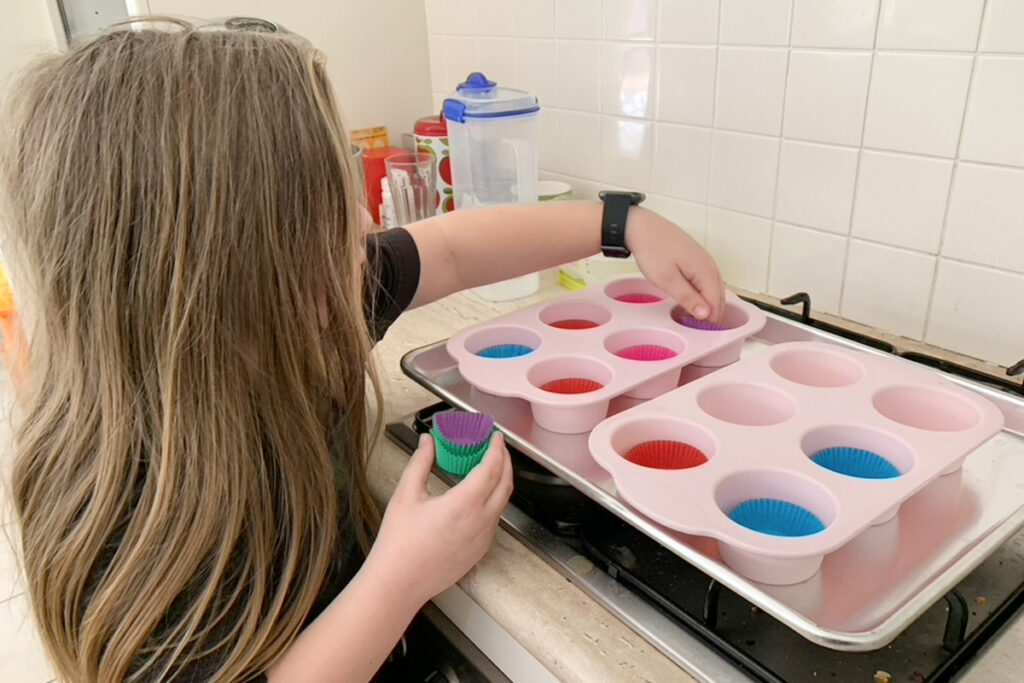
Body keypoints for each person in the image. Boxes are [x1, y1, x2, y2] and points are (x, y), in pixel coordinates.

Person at [0, 17, 724, 683]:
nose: (363, 220)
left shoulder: (295, 315)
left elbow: (449, 251)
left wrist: (619, 223)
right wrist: (399, 577)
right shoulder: (131, 521)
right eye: (324, 209)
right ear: (230, 278)